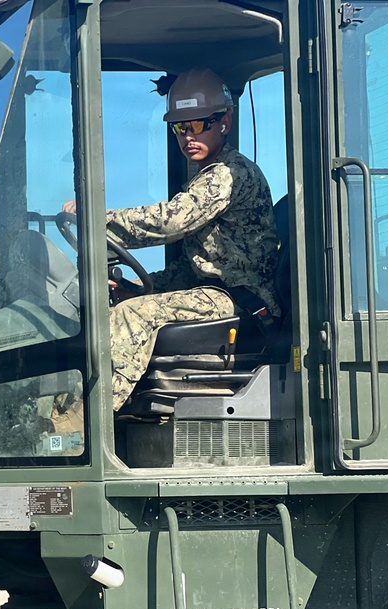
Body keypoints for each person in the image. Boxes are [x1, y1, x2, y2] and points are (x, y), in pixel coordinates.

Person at [64, 68, 280, 412]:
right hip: (218, 294)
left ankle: (89, 419)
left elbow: (171, 222)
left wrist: (97, 219)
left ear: (224, 121)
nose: (187, 136)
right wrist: (141, 286)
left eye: (197, 125)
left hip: (245, 302)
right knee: (116, 307)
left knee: (133, 316)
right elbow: (194, 269)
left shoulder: (228, 174)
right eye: (180, 127)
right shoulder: (206, 175)